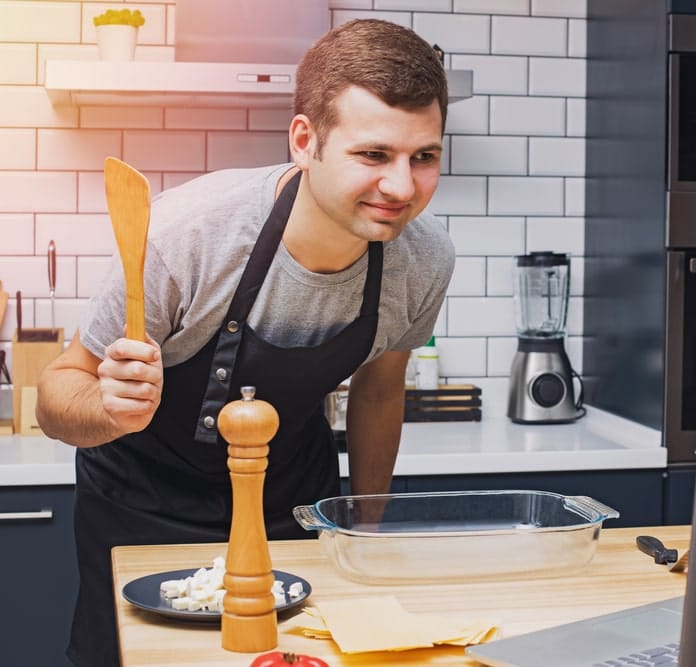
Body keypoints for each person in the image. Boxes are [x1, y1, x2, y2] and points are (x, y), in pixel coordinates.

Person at [35, 19, 455, 667]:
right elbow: (59, 394)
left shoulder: (423, 259)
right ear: (304, 141)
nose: (401, 187)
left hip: (292, 508)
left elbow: (379, 389)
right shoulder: (187, 236)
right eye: (373, 155)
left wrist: (365, 528)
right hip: (143, 515)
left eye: (423, 156)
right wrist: (108, 405)